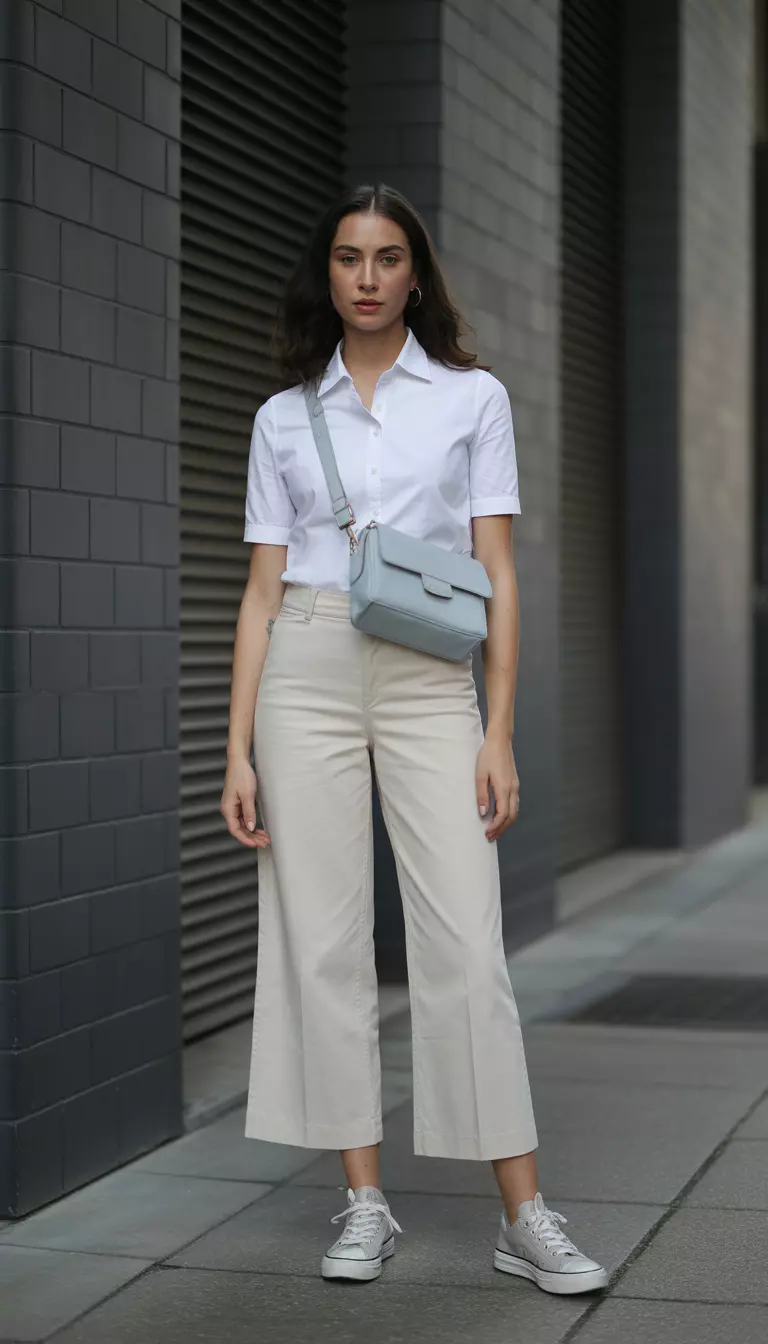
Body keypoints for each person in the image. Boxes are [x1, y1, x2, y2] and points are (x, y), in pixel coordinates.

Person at [220, 183, 607, 1296]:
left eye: (390, 257)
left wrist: (501, 730)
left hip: (433, 675)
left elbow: (499, 572)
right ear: (327, 274)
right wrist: (236, 748)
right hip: (305, 665)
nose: (370, 277)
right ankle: (364, 1202)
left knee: (466, 947)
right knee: (323, 941)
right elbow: (257, 592)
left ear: (417, 274)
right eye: (349, 257)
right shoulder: (281, 417)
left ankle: (523, 1216)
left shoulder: (473, 400)